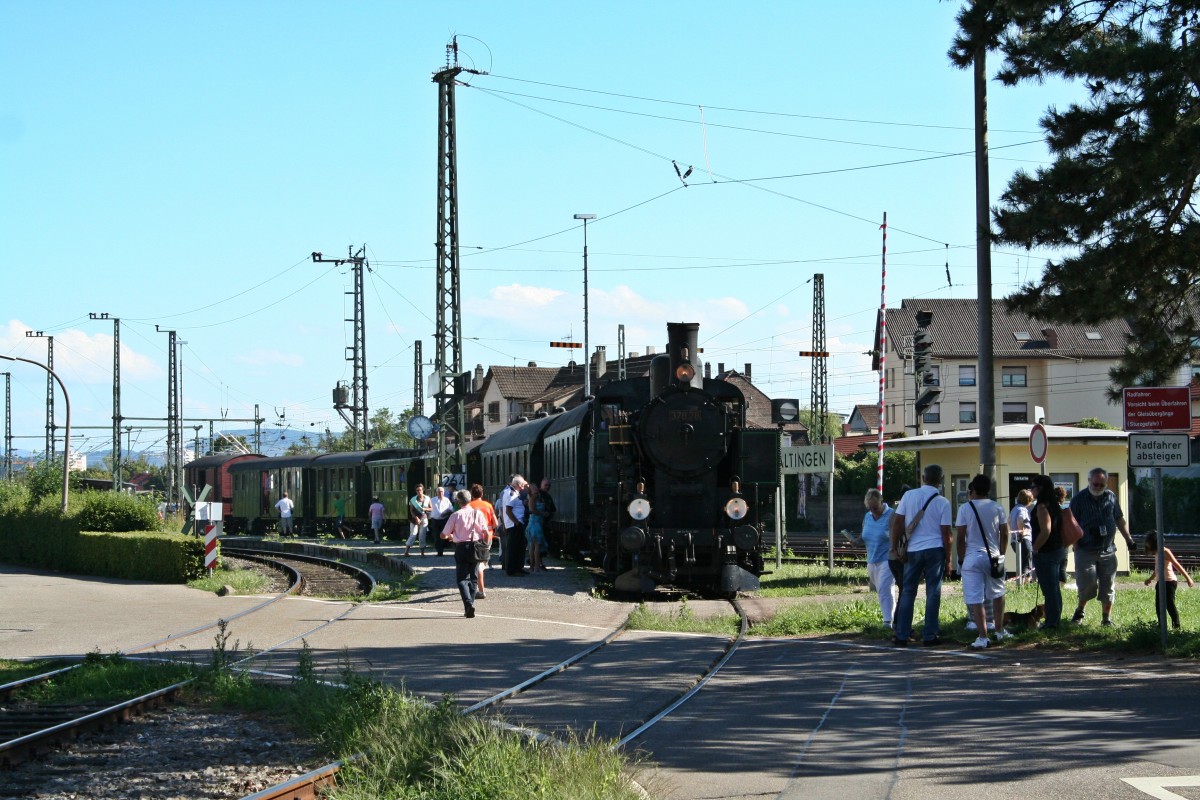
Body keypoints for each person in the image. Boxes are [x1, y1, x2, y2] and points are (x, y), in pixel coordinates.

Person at [890, 464, 953, 647]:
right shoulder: (943, 502)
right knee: (933, 592)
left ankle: (901, 634)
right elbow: (946, 533)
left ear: (923, 478)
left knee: (908, 591)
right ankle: (930, 635)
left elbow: (898, 523)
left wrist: (895, 548)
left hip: (913, 550)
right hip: (935, 550)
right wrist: (948, 560)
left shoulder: (909, 496)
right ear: (940, 480)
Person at [1068, 467, 1136, 626]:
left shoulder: (1111, 497)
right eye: (1095, 484)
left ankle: (1106, 619)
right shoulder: (1078, 499)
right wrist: (1075, 544)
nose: (1098, 487)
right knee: (1088, 583)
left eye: (1102, 484)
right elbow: (1071, 523)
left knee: (1108, 586)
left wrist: (1129, 540)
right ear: (1089, 481)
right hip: (1085, 549)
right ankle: (1080, 610)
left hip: (1107, 549)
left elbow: (1119, 519)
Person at [956, 474, 1012, 649]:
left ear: (972, 490)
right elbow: (1005, 532)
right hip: (993, 556)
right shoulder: (997, 508)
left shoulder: (965, 508)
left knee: (976, 599)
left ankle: (982, 636)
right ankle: (1000, 631)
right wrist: (1001, 553)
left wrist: (961, 557)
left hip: (972, 557)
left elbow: (961, 537)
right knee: (997, 594)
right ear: (989, 489)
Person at [440, 489, 489, 618]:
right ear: (470, 499)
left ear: (458, 501)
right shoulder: (477, 513)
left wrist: (450, 537)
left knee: (462, 578)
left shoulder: (456, 515)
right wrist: (486, 547)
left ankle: (468, 605)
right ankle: (470, 604)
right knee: (473, 577)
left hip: (461, 547)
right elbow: (486, 532)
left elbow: (444, 534)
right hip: (476, 546)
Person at [856, 488, 896, 629]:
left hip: (888, 557)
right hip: (872, 559)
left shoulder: (892, 515)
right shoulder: (867, 517)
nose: (873, 511)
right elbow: (864, 535)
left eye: (875, 507)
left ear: (881, 502)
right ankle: (892, 616)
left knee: (884, 588)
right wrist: (856, 541)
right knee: (882, 589)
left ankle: (887, 621)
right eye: (870, 508)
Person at [1030, 475, 1066, 628]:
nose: (1031, 490)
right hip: (1058, 549)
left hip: (1046, 552)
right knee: (1054, 589)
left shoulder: (1042, 506)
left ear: (1040, 488)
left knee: (1049, 589)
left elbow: (1046, 530)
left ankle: (1052, 623)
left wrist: (1035, 548)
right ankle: (1055, 620)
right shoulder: (1054, 504)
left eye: (1033, 487)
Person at [1143, 529, 1194, 630]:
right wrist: (1150, 579)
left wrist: (1188, 578)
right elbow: (1157, 569)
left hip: (1169, 582)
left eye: (1149, 543)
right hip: (1160, 582)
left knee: (1169, 605)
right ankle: (1161, 627)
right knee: (1158, 606)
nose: (1147, 545)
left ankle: (1176, 626)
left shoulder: (1165, 551)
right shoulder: (1157, 553)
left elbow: (1177, 565)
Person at [468, 484, 499, 598]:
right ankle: (478, 588)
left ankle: (480, 590)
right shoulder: (488, 505)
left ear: (472, 494)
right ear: (482, 494)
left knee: (477, 564)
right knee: (481, 562)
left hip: (474, 538)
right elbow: (495, 523)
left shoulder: (469, 506)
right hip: (488, 537)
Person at [503, 476, 529, 576]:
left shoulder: (513, 492)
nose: (523, 487)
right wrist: (516, 522)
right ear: (518, 485)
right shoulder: (511, 493)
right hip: (515, 524)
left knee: (520, 547)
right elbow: (508, 510)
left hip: (516, 523)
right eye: (522, 485)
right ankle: (512, 570)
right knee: (513, 548)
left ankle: (518, 567)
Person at [1008, 489, 1034, 582]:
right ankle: (1025, 585)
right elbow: (1020, 519)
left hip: (1014, 540)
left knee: (1022, 562)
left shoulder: (1014, 509)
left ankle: (1021, 584)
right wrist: (1022, 533)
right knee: (1026, 564)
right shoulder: (1022, 509)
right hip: (1024, 540)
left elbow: (1009, 521)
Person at [525, 483, 549, 572]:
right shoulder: (533, 498)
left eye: (535, 487)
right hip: (535, 524)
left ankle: (533, 566)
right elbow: (533, 510)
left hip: (537, 523)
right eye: (533, 488)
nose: (535, 489)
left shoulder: (537, 497)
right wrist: (543, 514)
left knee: (532, 546)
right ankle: (536, 566)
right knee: (536, 545)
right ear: (530, 491)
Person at [405, 484, 432, 556]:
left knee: (422, 535)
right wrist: (416, 517)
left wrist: (425, 509)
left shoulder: (427, 498)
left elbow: (431, 508)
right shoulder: (413, 500)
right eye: (417, 490)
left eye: (420, 490)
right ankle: (406, 552)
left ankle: (422, 553)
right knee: (413, 534)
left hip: (424, 518)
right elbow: (411, 511)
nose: (419, 491)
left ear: (423, 490)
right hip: (415, 519)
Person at [428, 486, 454, 557]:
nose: (440, 493)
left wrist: (446, 512)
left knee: (444, 535)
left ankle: (443, 547)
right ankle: (439, 551)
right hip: (435, 520)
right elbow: (428, 509)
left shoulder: (447, 500)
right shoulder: (432, 500)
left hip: (444, 520)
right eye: (439, 491)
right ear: (436, 492)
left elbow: (451, 509)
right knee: (436, 535)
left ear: (444, 492)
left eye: (442, 491)